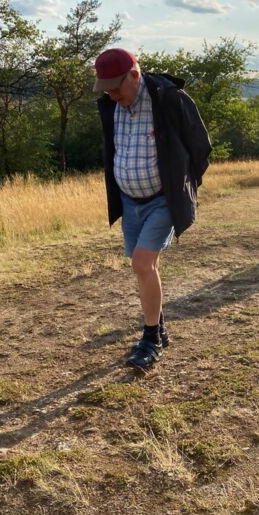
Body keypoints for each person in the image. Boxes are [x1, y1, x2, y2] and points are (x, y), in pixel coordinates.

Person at [94, 48, 211, 371]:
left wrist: (183, 186)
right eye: (106, 89)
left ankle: (150, 340)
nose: (111, 95)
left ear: (134, 76)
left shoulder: (169, 99)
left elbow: (200, 147)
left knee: (142, 264)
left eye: (115, 88)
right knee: (145, 267)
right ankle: (159, 328)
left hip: (162, 200)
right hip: (129, 201)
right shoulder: (111, 105)